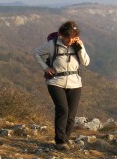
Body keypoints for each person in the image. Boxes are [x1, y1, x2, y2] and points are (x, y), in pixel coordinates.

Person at [34, 21, 90, 151]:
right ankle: (60, 142)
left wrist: (80, 48)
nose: (69, 41)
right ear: (61, 35)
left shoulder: (78, 45)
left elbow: (86, 62)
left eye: (73, 37)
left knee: (71, 114)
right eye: (67, 37)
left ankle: (65, 138)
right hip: (55, 82)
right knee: (62, 110)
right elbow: (36, 53)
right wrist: (46, 67)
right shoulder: (52, 44)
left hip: (75, 83)